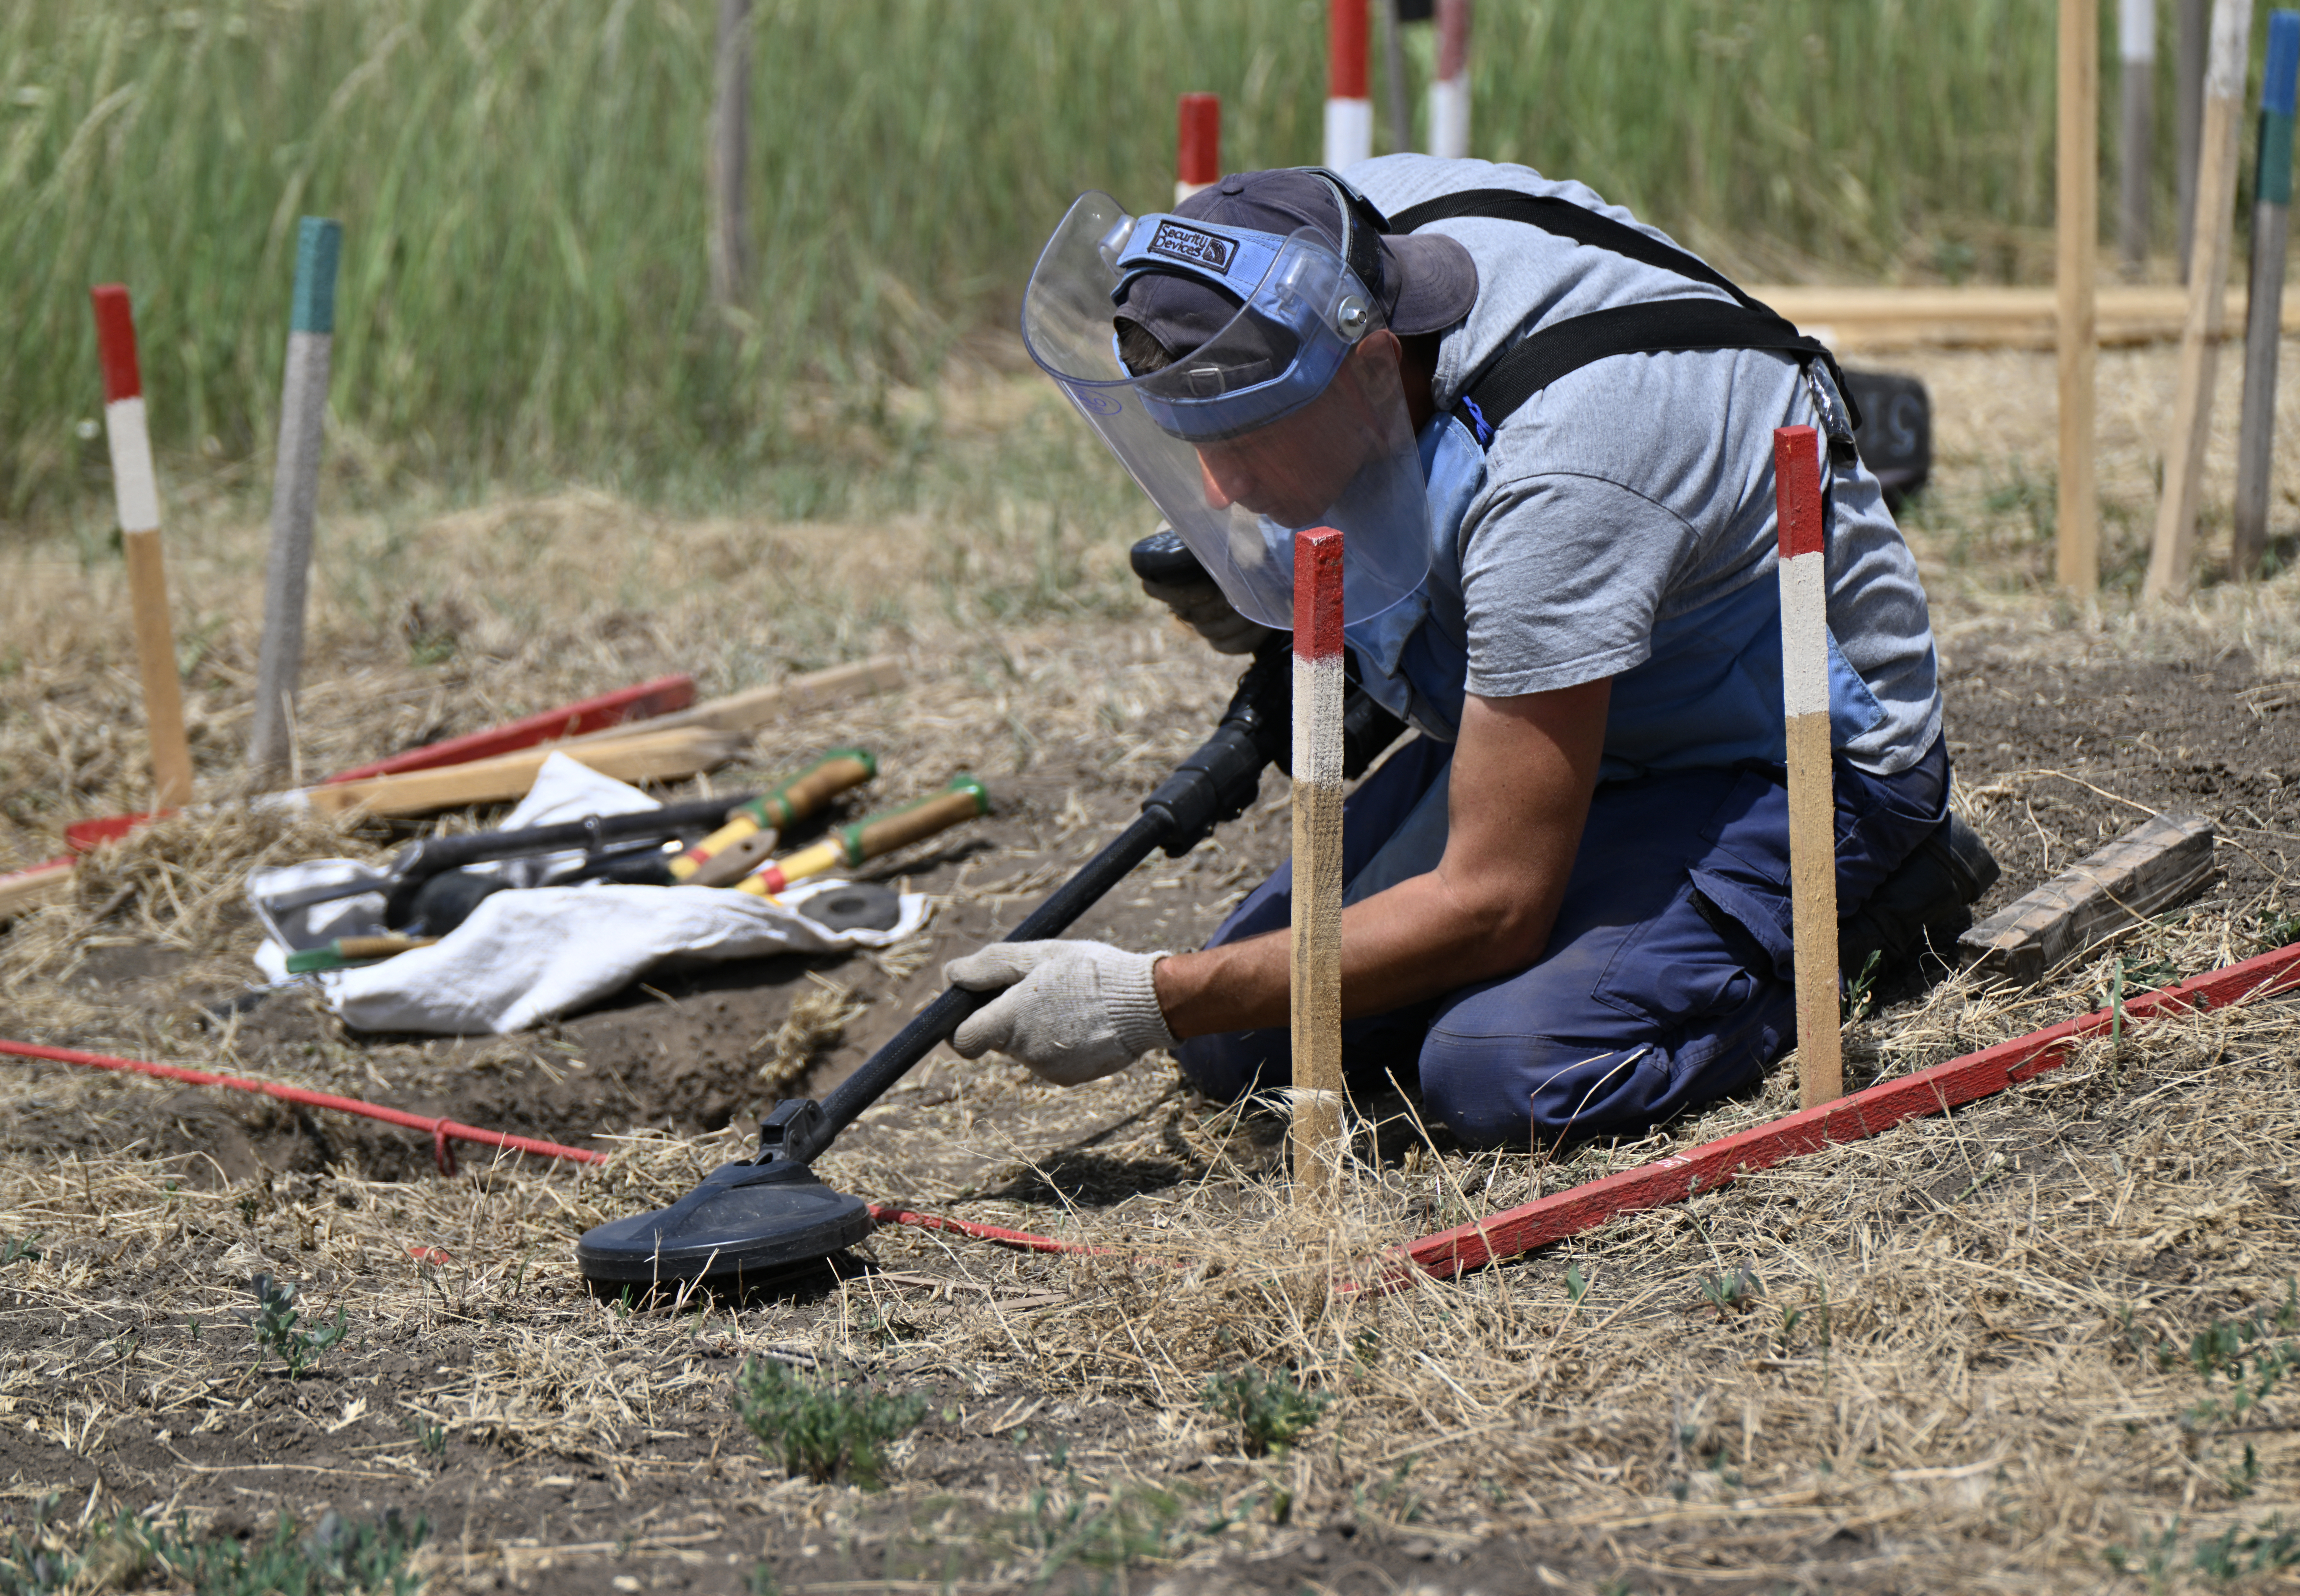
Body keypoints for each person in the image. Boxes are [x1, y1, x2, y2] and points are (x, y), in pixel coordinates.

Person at [943, 155, 1994, 1151]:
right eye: (1194, 445)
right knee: (1241, 1045)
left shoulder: (1568, 469)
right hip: (1572, 705)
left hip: (1785, 757)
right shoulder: (1328, 234)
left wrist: (1146, 997)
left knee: (1504, 1070)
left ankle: (1881, 897)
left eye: (1242, 441)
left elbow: (1492, 903)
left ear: (1361, 370)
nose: (1216, 492)